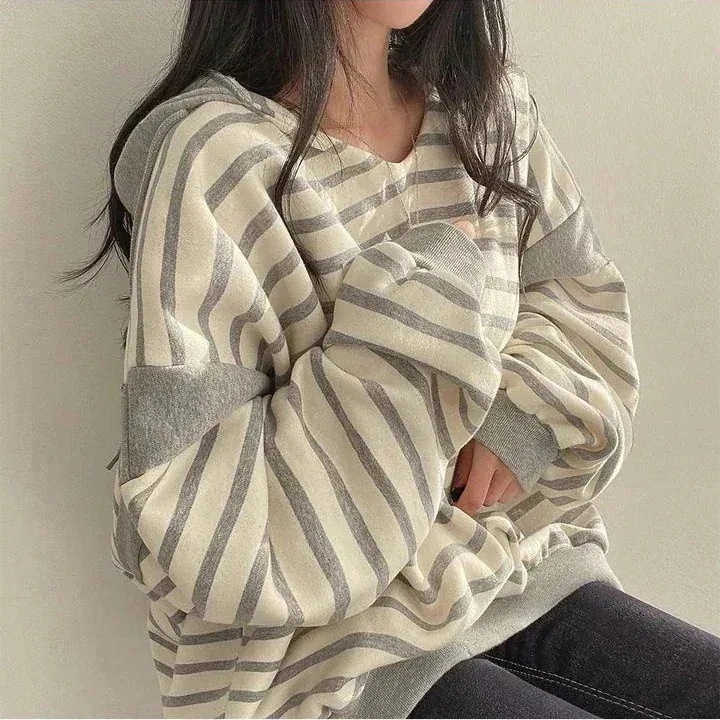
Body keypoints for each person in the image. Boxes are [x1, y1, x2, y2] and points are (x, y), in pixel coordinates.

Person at [64, 1, 719, 718]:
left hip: (517, 573)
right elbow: (199, 505)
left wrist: (520, 416)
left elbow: (580, 297)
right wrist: (423, 305)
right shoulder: (218, 158)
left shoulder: (486, 113)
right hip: (318, 656)